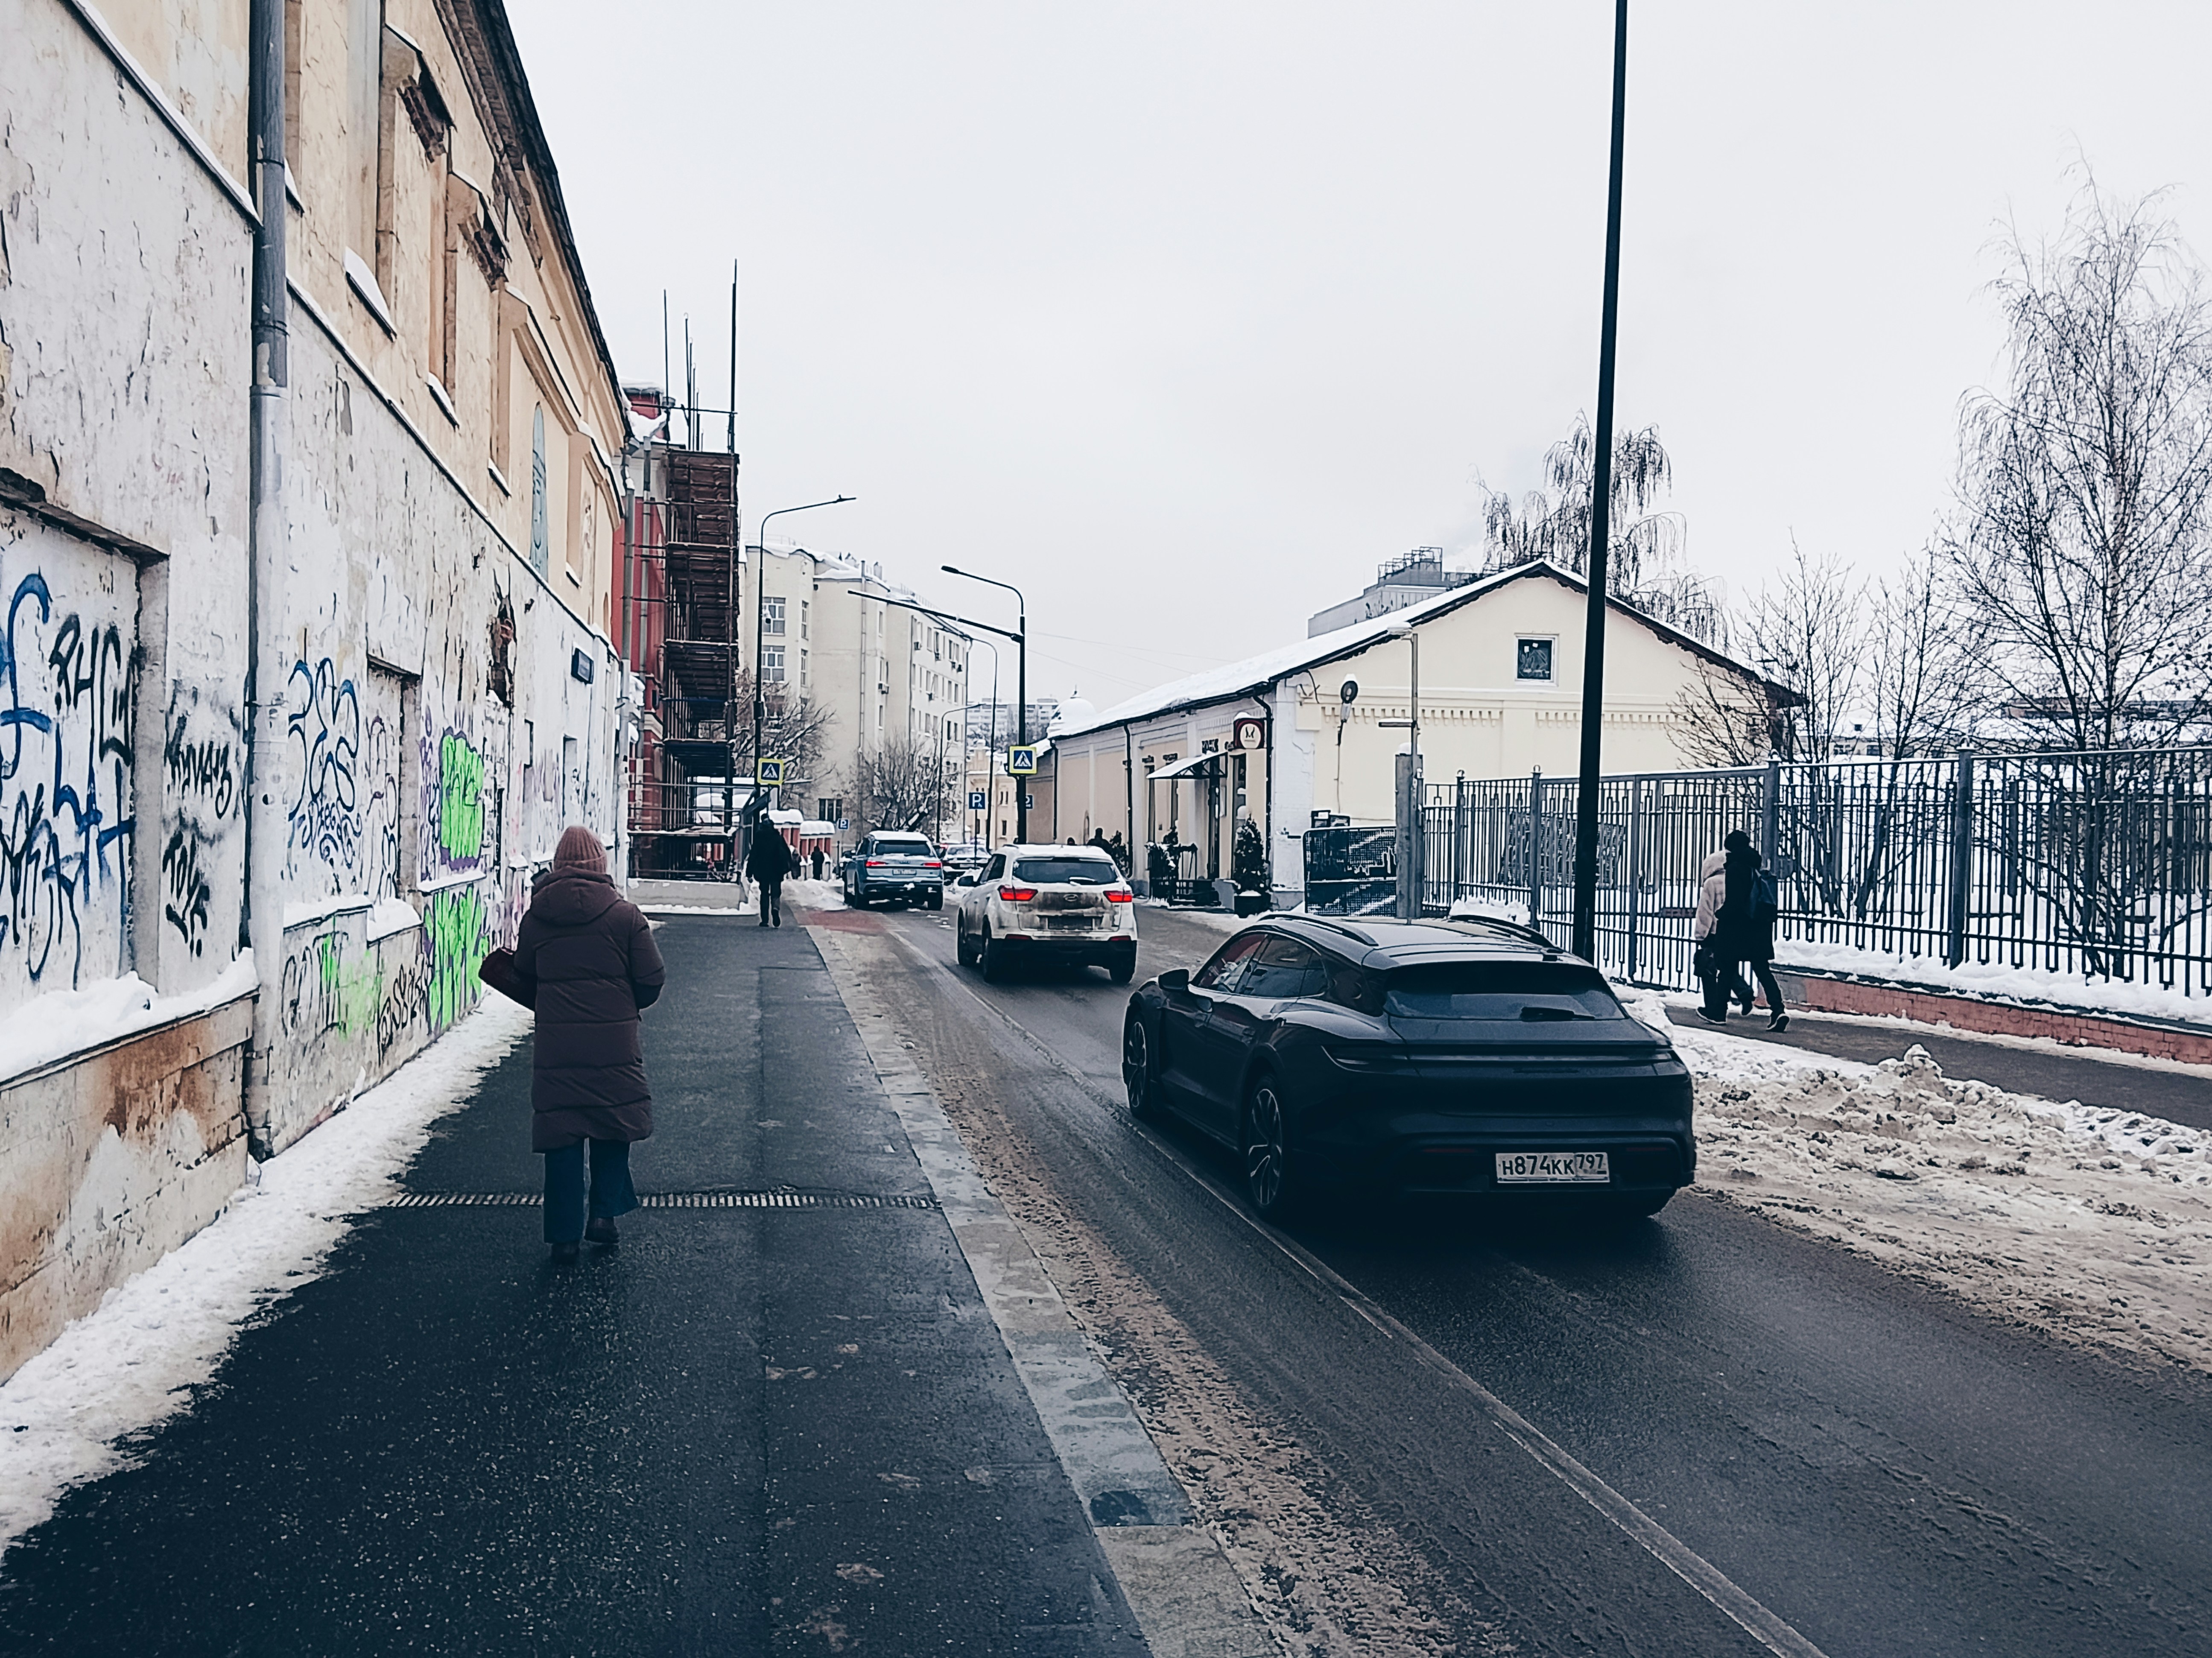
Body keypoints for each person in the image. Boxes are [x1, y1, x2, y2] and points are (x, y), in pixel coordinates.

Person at [506, 826, 666, 1263]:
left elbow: (524, 969)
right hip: (613, 1044)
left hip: (558, 1046)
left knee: (562, 1133)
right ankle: (603, 1216)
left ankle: (564, 1236)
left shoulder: (537, 917)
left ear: (558, 865)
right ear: (600, 864)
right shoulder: (625, 916)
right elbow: (652, 978)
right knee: (613, 1124)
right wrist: (625, 1004)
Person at [746, 822, 795, 927]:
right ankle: (775, 909)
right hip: (777, 872)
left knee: (764, 894)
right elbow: (786, 853)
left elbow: (753, 856)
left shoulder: (759, 839)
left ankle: (765, 920)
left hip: (763, 872)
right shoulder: (778, 838)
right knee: (776, 893)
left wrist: (749, 873)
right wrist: (787, 868)